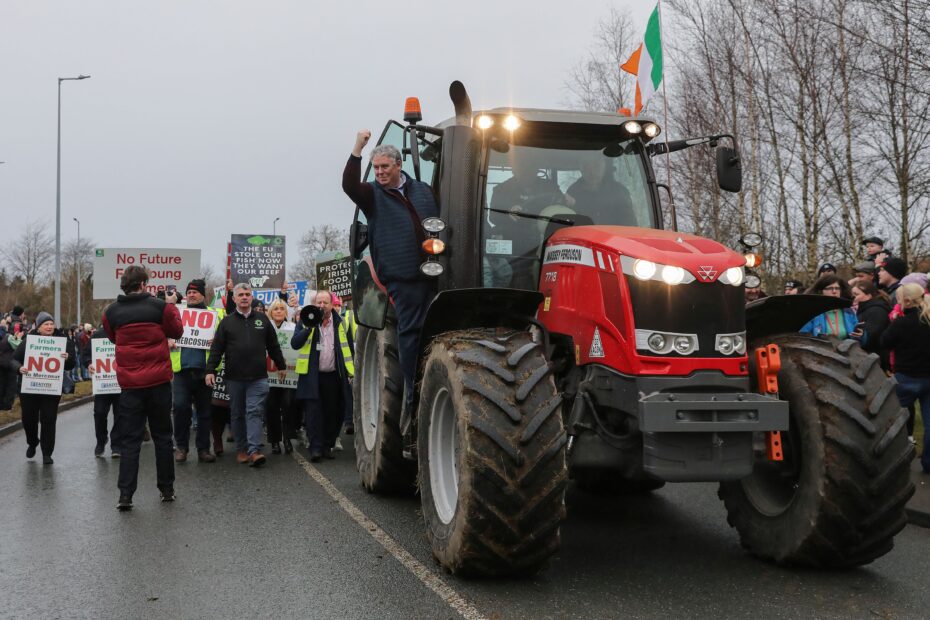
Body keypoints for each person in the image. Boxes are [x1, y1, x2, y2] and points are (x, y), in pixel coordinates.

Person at [343, 130, 438, 421]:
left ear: (399, 165)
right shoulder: (373, 195)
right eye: (376, 168)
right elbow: (349, 185)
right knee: (410, 331)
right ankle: (412, 394)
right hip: (401, 275)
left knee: (432, 328)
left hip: (432, 271)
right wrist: (358, 148)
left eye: (385, 166)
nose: (380, 172)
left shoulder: (423, 190)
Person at [103, 265, 184, 511]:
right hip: (158, 383)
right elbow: (177, 331)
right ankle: (167, 489)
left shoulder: (111, 312)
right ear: (143, 284)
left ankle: (125, 495)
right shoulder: (160, 308)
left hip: (130, 386)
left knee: (130, 440)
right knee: (163, 437)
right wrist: (172, 305)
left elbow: (113, 338)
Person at [206, 283, 286, 467]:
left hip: (258, 377)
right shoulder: (227, 322)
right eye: (240, 294)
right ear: (234, 298)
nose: (244, 297)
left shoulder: (262, 319)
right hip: (234, 378)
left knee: (254, 411)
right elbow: (217, 348)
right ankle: (241, 449)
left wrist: (281, 365)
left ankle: (254, 451)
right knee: (237, 414)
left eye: (247, 294)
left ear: (251, 297)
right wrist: (210, 370)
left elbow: (273, 345)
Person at [291, 290, 354, 462]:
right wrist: (309, 328)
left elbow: (349, 348)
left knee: (333, 412)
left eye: (325, 302)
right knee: (313, 414)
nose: (321, 306)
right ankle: (316, 448)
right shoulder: (306, 320)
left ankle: (327, 445)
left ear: (332, 305)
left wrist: (351, 372)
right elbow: (295, 343)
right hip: (312, 376)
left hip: (334, 376)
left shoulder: (341, 322)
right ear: (314, 304)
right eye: (318, 302)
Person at [10, 312, 76, 464]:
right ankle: (32, 442)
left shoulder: (62, 340)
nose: (49, 326)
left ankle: (47, 453)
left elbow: (71, 364)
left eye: (51, 324)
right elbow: (13, 360)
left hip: (51, 388)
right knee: (28, 419)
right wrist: (19, 368)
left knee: (49, 419)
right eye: (46, 324)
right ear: (38, 327)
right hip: (29, 388)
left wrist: (68, 358)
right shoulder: (29, 340)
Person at [169, 279, 222, 464]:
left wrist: (217, 340)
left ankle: (203, 449)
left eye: (195, 292)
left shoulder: (215, 314)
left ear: (202, 295)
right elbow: (163, 332)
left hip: (205, 371)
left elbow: (224, 337)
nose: (191, 295)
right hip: (182, 371)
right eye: (189, 292)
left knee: (205, 412)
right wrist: (168, 339)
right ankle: (181, 447)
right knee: (180, 409)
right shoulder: (177, 313)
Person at [881, 283, 930, 473]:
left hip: (906, 377)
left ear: (907, 301)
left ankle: (887, 460)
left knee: (888, 420)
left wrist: (894, 322)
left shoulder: (901, 323)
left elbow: (885, 342)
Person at [265, 298, 298, 455]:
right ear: (270, 312)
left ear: (286, 312)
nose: (278, 311)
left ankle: (288, 438)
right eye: (275, 309)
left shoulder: (293, 327)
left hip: (289, 374)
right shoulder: (265, 327)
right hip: (269, 374)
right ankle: (274, 441)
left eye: (281, 308)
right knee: (271, 406)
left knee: (288, 404)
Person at [87, 325, 124, 458]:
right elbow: (86, 354)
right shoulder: (97, 335)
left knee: (120, 414)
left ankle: (116, 445)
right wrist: (89, 364)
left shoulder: (126, 332)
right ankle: (101, 440)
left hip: (121, 383)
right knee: (100, 413)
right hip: (102, 384)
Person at [565, 155, 633, 224]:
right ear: (581, 168)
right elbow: (568, 222)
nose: (592, 172)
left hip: (615, 231)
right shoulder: (572, 193)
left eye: (596, 166)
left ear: (604, 166)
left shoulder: (619, 191)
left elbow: (630, 223)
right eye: (586, 166)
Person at [851, 280, 891, 362]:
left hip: (875, 358)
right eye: (852, 294)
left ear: (868, 296)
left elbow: (873, 336)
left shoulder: (877, 311)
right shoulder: (864, 308)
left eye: (856, 294)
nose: (852, 297)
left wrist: (862, 335)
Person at [0, 322, 23, 410]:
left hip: (3, 363)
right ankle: (7, 406)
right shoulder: (10, 337)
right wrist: (19, 338)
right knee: (11, 386)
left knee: (2, 385)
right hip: (10, 365)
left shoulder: (5, 336)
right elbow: (18, 346)